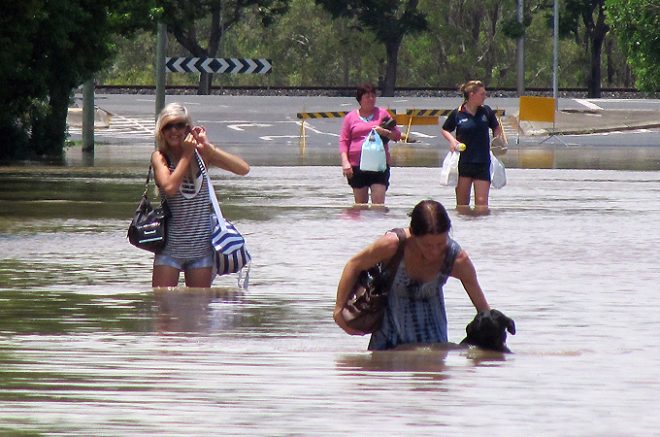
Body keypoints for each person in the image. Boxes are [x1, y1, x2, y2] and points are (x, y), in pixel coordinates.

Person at [333, 199, 491, 350]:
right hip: (388, 331)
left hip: (433, 339)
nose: (435, 251)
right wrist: (339, 309)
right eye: (428, 245)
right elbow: (354, 265)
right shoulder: (392, 245)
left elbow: (483, 310)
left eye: (440, 244)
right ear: (414, 234)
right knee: (379, 376)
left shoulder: (457, 259)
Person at [151, 102, 250, 288]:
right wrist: (187, 155)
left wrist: (209, 149)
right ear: (161, 132)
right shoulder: (160, 157)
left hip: (201, 249)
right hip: (169, 249)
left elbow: (243, 169)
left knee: (199, 310)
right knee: (162, 308)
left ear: (188, 128)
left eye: (179, 125)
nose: (174, 131)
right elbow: (170, 187)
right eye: (168, 126)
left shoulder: (200, 154)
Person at [441, 80, 504, 207]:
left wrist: (497, 140)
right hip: (463, 162)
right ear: (471, 95)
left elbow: (496, 128)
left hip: (483, 162)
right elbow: (445, 129)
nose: (485, 97)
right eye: (482, 94)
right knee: (462, 205)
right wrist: (452, 141)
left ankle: (482, 226)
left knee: (482, 204)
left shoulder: (486, 112)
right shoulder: (458, 113)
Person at [339, 82, 402, 205]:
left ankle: (379, 224)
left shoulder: (383, 114)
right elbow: (344, 141)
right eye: (367, 96)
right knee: (360, 205)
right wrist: (345, 162)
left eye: (373, 96)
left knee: (378, 205)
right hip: (357, 166)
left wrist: (384, 132)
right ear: (360, 99)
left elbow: (397, 135)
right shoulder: (350, 117)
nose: (371, 99)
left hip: (379, 165)